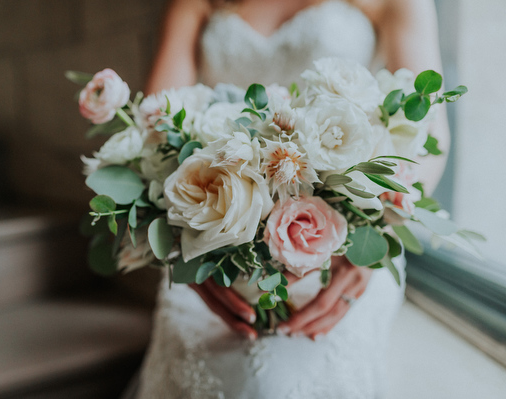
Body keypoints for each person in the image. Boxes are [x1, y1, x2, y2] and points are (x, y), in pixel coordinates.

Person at [130, 0, 449, 397]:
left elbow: (429, 139)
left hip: (346, 244)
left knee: (276, 382)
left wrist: (372, 244)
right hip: (215, 238)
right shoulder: (196, 3)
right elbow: (153, 128)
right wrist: (185, 253)